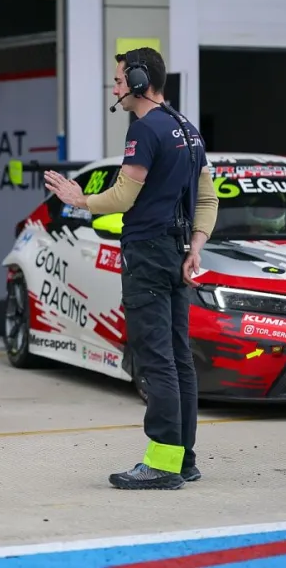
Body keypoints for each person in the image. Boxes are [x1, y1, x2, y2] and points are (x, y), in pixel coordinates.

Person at [43, 47, 219, 490]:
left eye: (120, 79)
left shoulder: (143, 131)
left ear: (140, 81)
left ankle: (161, 463)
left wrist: (77, 199)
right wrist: (195, 246)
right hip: (178, 252)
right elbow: (207, 200)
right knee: (179, 359)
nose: (116, 87)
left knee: (155, 360)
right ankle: (184, 459)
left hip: (147, 252)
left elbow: (122, 197)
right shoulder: (189, 130)